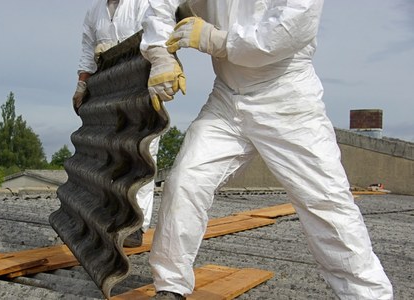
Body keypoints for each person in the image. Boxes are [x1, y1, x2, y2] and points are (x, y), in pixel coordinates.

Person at [140, 1, 394, 299]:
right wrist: (160, 54)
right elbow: (161, 4)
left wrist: (214, 39)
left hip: (286, 98)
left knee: (325, 202)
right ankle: (171, 285)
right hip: (226, 97)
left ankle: (367, 295)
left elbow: (282, 34)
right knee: (185, 181)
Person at [73, 0, 156, 247]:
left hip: (143, 85)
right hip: (109, 88)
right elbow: (88, 49)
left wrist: (121, 49)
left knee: (142, 153)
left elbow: (158, 38)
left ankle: (136, 224)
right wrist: (82, 85)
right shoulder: (95, 11)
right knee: (111, 154)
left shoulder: (144, 3)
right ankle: (109, 217)